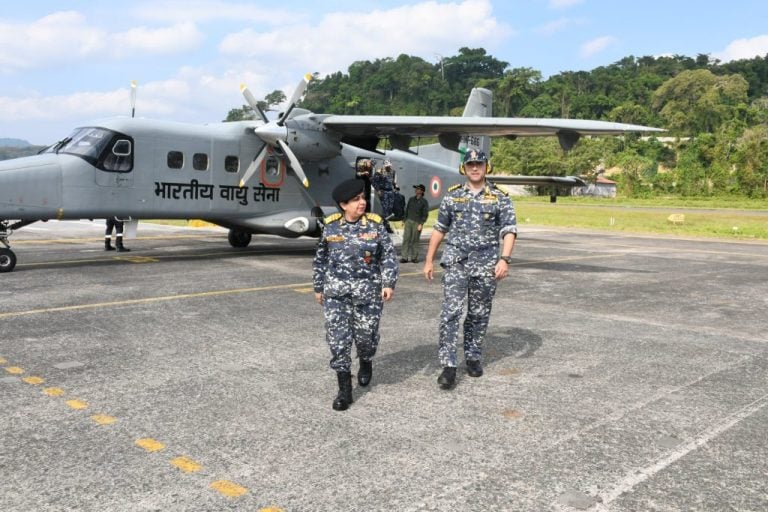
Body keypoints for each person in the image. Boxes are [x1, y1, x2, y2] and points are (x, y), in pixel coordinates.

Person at [422, 149, 516, 390]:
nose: (475, 168)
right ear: (464, 167)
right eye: (471, 164)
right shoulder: (453, 196)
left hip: (486, 265)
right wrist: (429, 259)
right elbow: (440, 228)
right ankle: (449, 365)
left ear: (487, 166)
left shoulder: (499, 197)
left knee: (479, 313)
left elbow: (509, 230)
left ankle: (473, 356)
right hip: (456, 262)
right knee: (451, 312)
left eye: (479, 164)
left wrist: (504, 259)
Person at [313, 178, 399, 411]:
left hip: (368, 294)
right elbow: (321, 259)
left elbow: (388, 257)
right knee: (338, 342)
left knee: (365, 338)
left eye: (362, 198)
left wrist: (388, 282)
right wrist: (318, 287)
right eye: (356, 200)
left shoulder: (375, 225)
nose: (362, 203)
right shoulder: (330, 227)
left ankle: (366, 360)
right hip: (336, 295)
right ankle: (344, 390)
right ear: (343, 205)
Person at [400, 184, 429, 263]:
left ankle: (414, 257)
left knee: (415, 240)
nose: (416, 190)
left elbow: (425, 214)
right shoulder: (411, 199)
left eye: (418, 189)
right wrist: (404, 220)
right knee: (406, 239)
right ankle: (404, 257)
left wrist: (421, 224)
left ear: (422, 191)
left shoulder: (424, 202)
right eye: (416, 189)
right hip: (409, 221)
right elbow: (407, 210)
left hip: (417, 222)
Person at [371, 160, 396, 233]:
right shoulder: (380, 172)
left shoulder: (393, 172)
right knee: (384, 210)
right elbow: (373, 181)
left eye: (389, 165)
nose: (388, 167)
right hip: (384, 192)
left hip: (390, 192)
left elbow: (393, 181)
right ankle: (384, 226)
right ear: (384, 165)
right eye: (386, 166)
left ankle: (386, 224)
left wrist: (395, 187)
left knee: (389, 210)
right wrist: (378, 189)